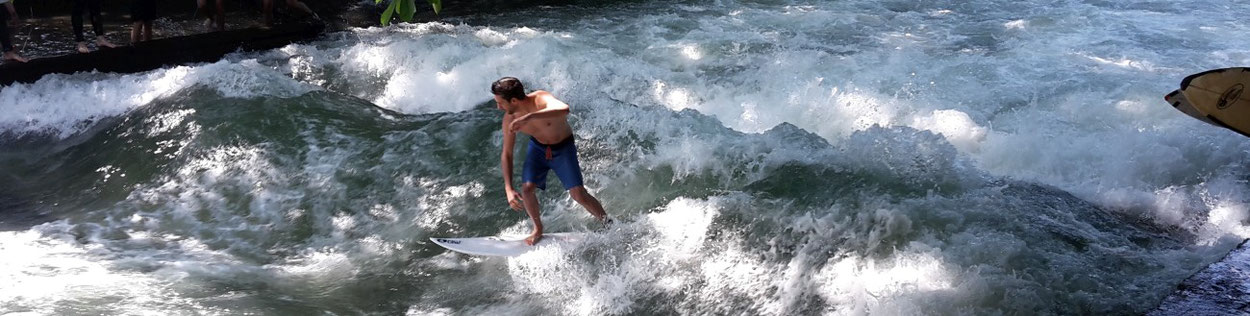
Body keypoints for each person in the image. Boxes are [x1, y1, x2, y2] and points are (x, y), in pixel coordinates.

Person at [492, 77, 610, 246]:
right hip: (538, 150)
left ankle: (607, 223)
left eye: (500, 103)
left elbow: (564, 109)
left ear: (514, 100)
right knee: (526, 189)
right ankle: (538, 229)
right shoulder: (509, 120)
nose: (498, 107)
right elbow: (507, 154)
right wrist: (508, 188)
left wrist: (529, 117)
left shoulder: (540, 98)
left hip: (563, 149)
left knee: (578, 194)